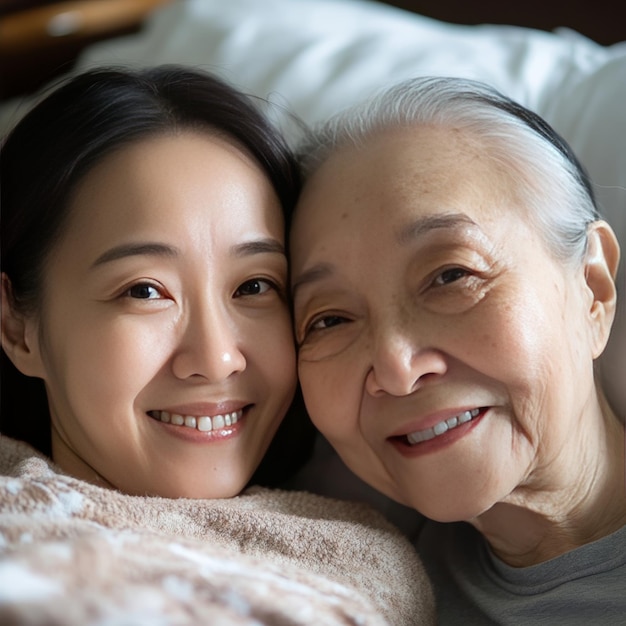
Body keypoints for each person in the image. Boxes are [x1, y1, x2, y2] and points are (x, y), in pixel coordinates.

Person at [0, 66, 434, 624]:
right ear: (17, 327)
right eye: (145, 290)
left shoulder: (369, 558)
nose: (216, 358)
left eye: (254, 287)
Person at [289, 76, 625, 624]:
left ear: (592, 290)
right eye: (329, 319)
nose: (396, 369)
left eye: (450, 275)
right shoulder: (330, 584)